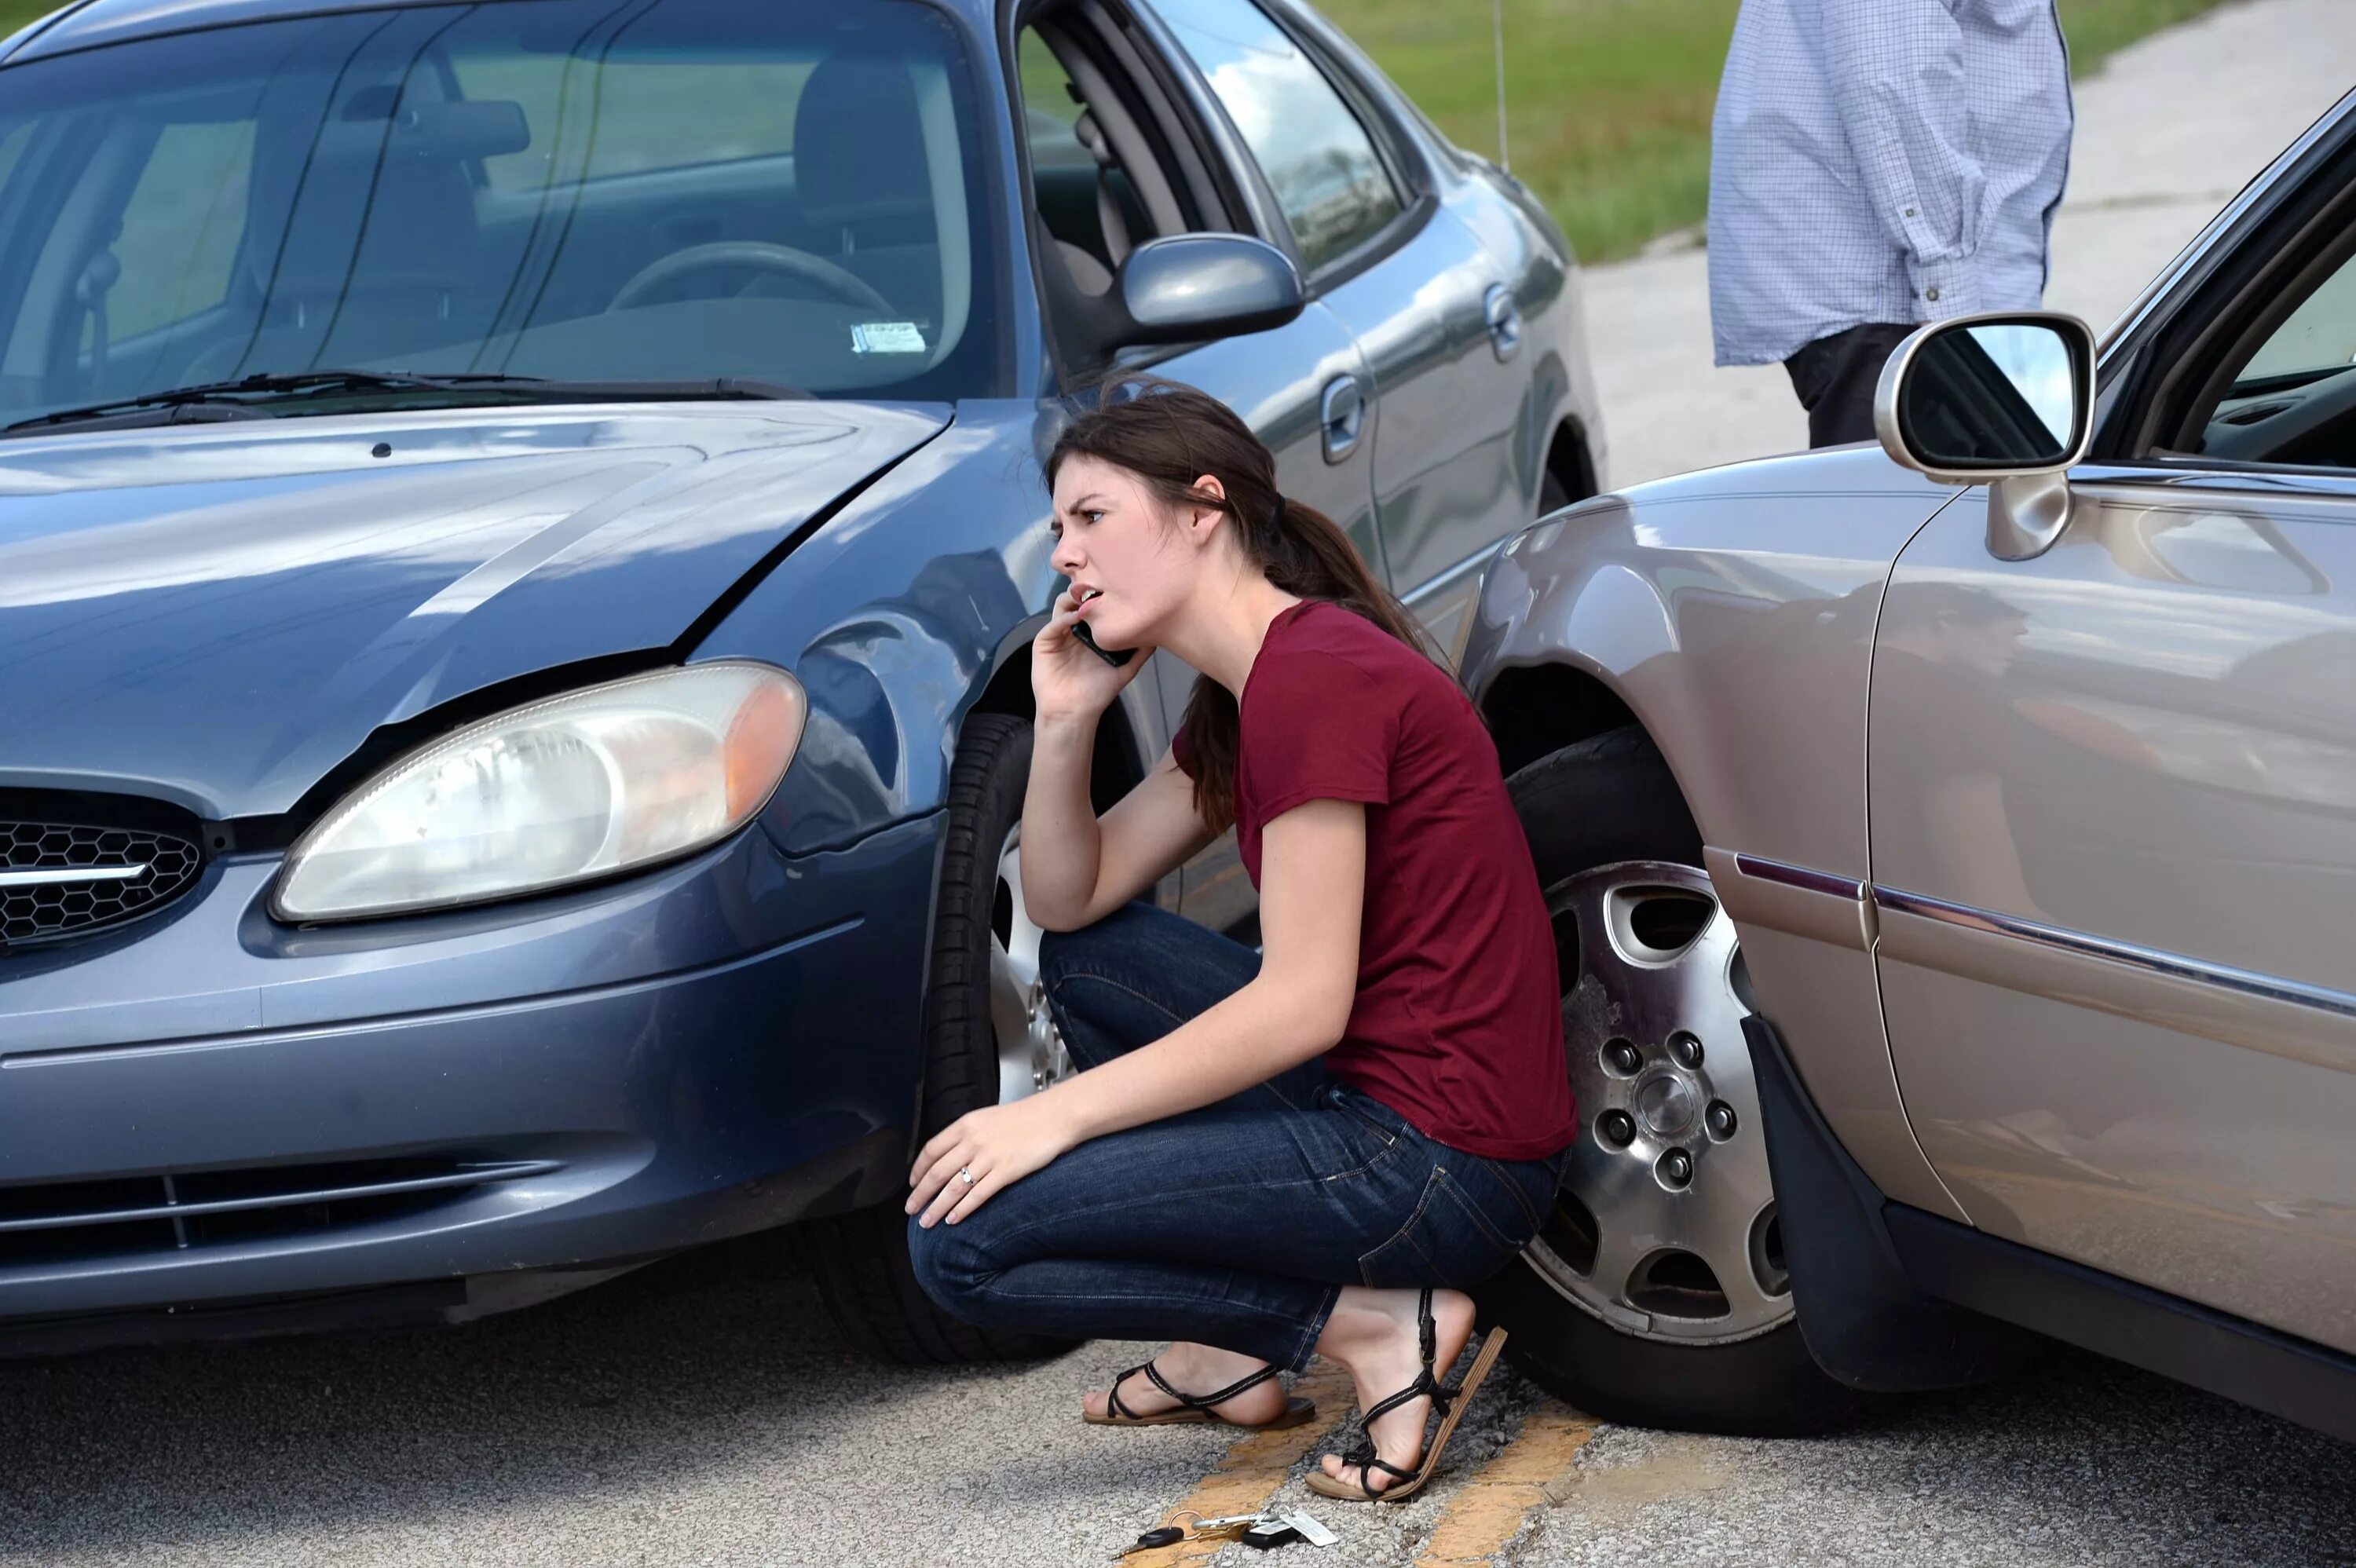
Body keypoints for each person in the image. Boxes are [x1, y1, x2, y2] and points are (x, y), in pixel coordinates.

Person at [903, 381, 1575, 1503]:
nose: (1064, 555)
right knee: (1094, 957)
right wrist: (1065, 719)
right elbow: (1072, 903)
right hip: (1390, 1099)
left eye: (1091, 517)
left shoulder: (1313, 683)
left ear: (1202, 508)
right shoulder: (1254, 683)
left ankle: (1368, 1327)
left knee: (961, 1244)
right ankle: (1230, 1352)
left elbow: (1301, 1003)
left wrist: (1048, 1117)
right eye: (1059, 528)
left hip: (1440, 1164)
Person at [1707, 0, 2074, 447]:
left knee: (1950, 509)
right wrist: (1946, 297)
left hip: (1914, 293)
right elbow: (1890, 78)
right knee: (1909, 511)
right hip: (1902, 301)